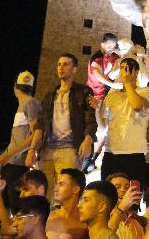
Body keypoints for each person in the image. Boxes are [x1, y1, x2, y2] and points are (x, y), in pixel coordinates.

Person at [30, 53, 96, 204]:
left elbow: (91, 119)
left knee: (66, 194)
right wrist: (32, 150)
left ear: (74, 69)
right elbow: (40, 125)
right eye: (59, 64)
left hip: (69, 149)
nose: (61, 67)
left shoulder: (83, 92)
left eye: (66, 64)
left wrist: (87, 140)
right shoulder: (49, 96)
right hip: (47, 150)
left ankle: (65, 226)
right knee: (44, 194)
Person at [0, 71, 42, 212]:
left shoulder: (30, 103)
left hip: (19, 163)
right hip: (12, 162)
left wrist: (10, 155)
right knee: (4, 203)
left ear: (15, 86)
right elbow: (19, 138)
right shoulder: (24, 104)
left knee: (14, 205)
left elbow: (36, 134)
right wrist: (5, 155)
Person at [101, 58, 149, 184]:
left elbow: (137, 106)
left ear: (136, 72)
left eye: (128, 68)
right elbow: (103, 124)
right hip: (111, 151)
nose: (124, 72)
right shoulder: (112, 95)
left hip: (133, 152)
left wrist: (127, 83)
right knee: (108, 194)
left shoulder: (145, 91)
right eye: (122, 68)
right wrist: (97, 110)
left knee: (132, 195)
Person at [46, 168, 88, 239]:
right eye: (57, 184)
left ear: (76, 189)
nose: (55, 189)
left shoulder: (85, 224)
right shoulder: (46, 217)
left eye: (61, 184)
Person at [106, 173, 148, 238]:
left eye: (127, 187)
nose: (123, 190)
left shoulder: (142, 221)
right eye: (117, 187)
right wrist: (121, 207)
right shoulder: (102, 218)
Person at [87, 33, 121, 104]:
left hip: (106, 95)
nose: (111, 50)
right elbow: (98, 75)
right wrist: (112, 85)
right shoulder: (97, 58)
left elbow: (123, 54)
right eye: (109, 47)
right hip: (95, 95)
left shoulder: (113, 56)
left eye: (113, 47)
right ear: (102, 45)